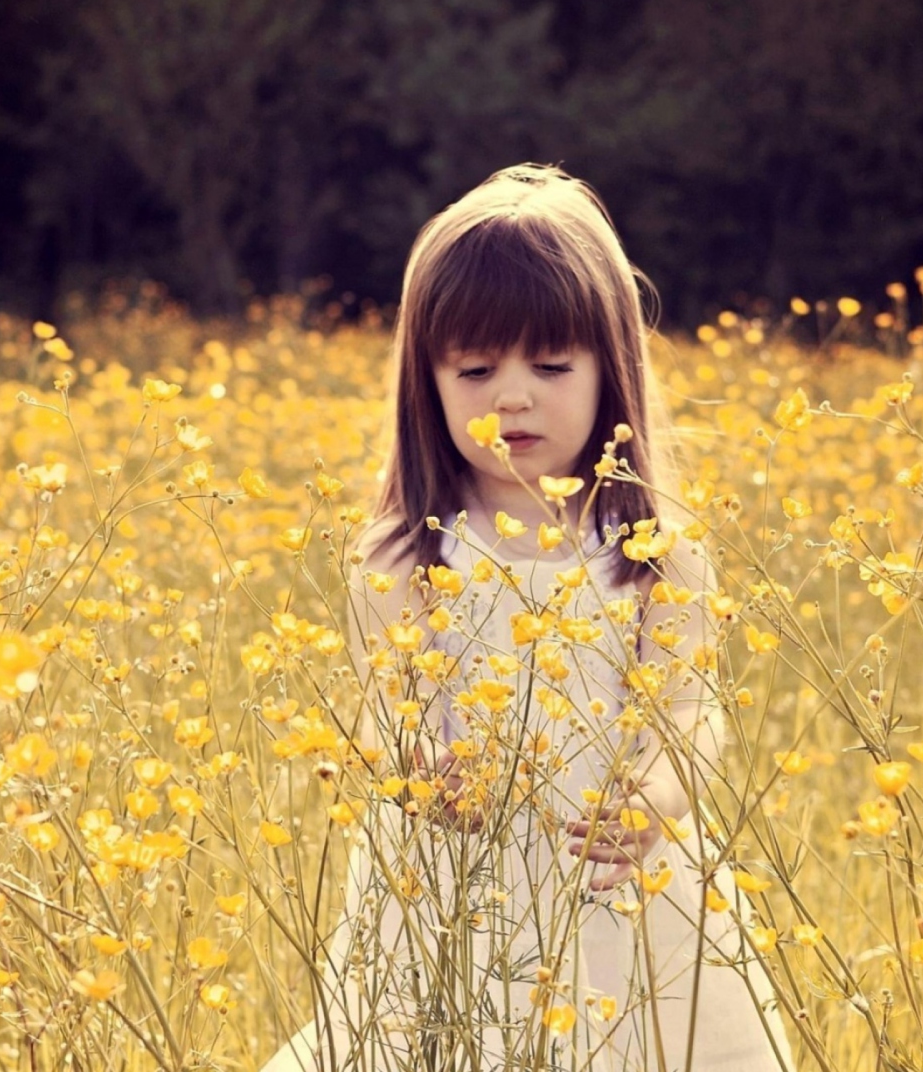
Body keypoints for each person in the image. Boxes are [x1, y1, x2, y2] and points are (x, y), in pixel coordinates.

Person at [257, 164, 794, 1072]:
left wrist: (654, 803)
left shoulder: (657, 548)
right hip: (451, 895)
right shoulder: (407, 555)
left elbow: (691, 716)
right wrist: (425, 771)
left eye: (550, 366)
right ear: (426, 382)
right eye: (475, 369)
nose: (512, 397)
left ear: (609, 368)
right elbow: (390, 718)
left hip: (627, 887)